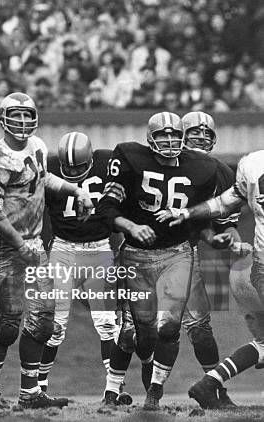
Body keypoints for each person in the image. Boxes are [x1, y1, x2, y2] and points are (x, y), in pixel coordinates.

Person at [0, 92, 93, 410]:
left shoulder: (38, 146)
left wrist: (75, 190)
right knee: (6, 324)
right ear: (2, 118)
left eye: (28, 116)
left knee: (43, 318)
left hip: (33, 243)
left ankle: (30, 393)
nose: (23, 122)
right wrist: (18, 244)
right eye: (16, 116)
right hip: (4, 246)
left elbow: (42, 179)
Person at [97, 111, 218, 410]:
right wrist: (130, 226)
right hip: (136, 255)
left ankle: (154, 392)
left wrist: (203, 227)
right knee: (140, 331)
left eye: (174, 135)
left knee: (169, 326)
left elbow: (205, 214)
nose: (169, 140)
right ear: (150, 138)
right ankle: (112, 390)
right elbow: (107, 207)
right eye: (162, 135)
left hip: (177, 253)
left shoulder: (201, 167)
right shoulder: (129, 158)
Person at [154, 130, 264, 411]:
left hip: (256, 266)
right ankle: (209, 382)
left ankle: (210, 382)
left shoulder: (251, 163)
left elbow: (224, 202)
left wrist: (187, 212)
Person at [39, 132, 125, 400]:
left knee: (107, 323)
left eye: (79, 166)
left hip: (99, 247)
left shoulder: (107, 162)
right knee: (55, 325)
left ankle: (113, 389)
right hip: (63, 247)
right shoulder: (50, 166)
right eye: (69, 167)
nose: (73, 171)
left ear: (90, 158)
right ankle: (37, 388)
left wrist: (121, 238)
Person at [179, 111, 239, 408]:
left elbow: (226, 221)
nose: (201, 138)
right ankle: (121, 395)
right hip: (146, 252)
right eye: (194, 133)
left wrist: (228, 236)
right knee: (137, 327)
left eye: (206, 134)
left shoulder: (223, 173)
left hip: (186, 252)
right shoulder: (164, 163)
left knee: (200, 327)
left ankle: (214, 388)